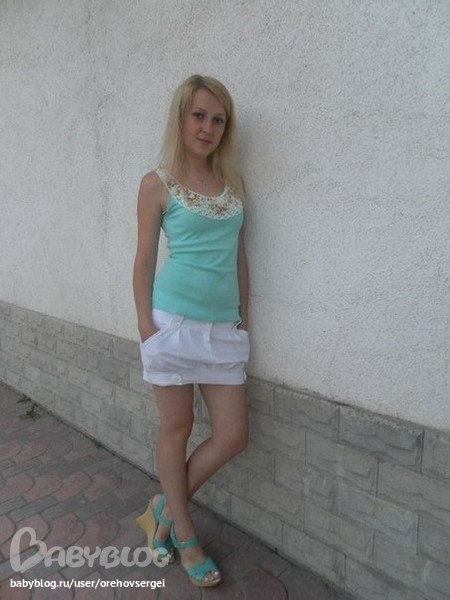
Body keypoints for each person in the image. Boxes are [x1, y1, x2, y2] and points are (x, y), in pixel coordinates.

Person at [132, 74, 250, 588]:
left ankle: (163, 505)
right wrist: (146, 327)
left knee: (233, 436)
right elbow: (143, 260)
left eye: (218, 120)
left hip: (223, 326)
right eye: (199, 116)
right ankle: (184, 533)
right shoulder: (157, 183)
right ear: (181, 118)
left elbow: (238, 256)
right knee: (176, 430)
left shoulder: (233, 185)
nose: (208, 127)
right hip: (172, 323)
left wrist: (244, 316)